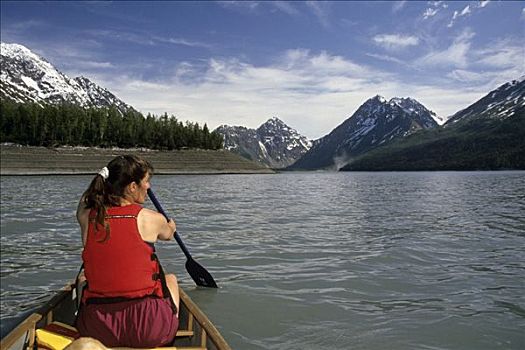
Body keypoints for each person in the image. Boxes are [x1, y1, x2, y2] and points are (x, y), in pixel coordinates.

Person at [75, 155, 179, 348]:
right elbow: (168, 234)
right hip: (148, 329)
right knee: (171, 280)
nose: (148, 187)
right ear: (132, 187)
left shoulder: (86, 216)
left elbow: (83, 201)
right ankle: (166, 329)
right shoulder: (152, 219)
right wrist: (171, 226)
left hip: (98, 329)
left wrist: (102, 177)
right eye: (146, 181)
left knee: (82, 281)